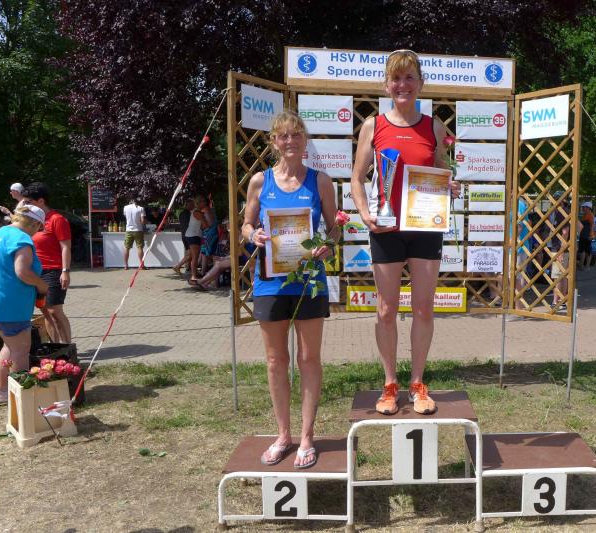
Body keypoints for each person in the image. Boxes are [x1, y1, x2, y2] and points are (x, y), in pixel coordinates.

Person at [351, 49, 459, 416]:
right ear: (386, 85)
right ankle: (389, 383)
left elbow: (440, 171)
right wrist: (365, 214)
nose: (403, 84)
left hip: (424, 228)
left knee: (424, 308)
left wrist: (449, 186)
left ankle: (417, 383)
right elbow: (356, 178)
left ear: (420, 84)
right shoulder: (373, 126)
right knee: (386, 310)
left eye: (409, 77)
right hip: (386, 228)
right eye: (396, 78)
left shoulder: (435, 127)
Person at [241, 110, 338, 469]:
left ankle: (307, 437)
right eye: (283, 135)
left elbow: (334, 229)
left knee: (309, 359)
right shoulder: (259, 181)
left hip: (309, 282)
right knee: (275, 360)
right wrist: (254, 235)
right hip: (270, 282)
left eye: (296, 134)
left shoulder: (321, 181)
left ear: (305, 140)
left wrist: (327, 245)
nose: (290, 141)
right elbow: (245, 225)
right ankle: (283, 435)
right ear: (274, 142)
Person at [0, 205, 50, 404]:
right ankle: (22, 398)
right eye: (39, 227)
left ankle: (1, 393)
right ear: (34, 223)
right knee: (21, 349)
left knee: (9, 347)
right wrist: (41, 284)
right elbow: (22, 271)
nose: (38, 232)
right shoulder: (21, 239)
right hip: (11, 304)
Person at [24, 183, 72, 344]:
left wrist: (65, 271)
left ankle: (68, 347)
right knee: (45, 311)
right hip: (36, 271)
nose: (26, 205)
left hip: (53, 270)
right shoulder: (32, 220)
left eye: (29, 202)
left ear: (41, 201)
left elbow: (65, 246)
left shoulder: (57, 219)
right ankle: (55, 347)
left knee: (54, 310)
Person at [173, 197, 195, 274]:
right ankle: (178, 266)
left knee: (189, 253)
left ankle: (188, 268)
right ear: (187, 205)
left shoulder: (182, 214)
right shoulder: (188, 214)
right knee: (190, 254)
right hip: (188, 235)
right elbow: (188, 225)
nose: (193, 206)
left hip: (185, 235)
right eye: (192, 204)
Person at [123, 197, 146, 270]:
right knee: (139, 247)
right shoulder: (141, 208)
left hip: (128, 230)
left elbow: (126, 217)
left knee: (127, 247)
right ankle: (141, 265)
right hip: (138, 230)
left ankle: (126, 265)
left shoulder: (125, 207)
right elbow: (142, 221)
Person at [196, 195, 218, 275]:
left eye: (200, 202)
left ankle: (202, 271)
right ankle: (200, 269)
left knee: (205, 253)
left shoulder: (205, 210)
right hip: (212, 232)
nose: (199, 203)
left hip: (208, 233)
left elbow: (209, 223)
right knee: (204, 252)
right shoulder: (210, 209)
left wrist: (202, 226)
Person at [184, 197, 203, 284]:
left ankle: (194, 274)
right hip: (193, 235)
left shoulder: (195, 212)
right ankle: (193, 276)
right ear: (198, 203)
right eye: (202, 202)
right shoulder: (197, 212)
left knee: (193, 256)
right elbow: (205, 225)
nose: (204, 204)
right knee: (195, 257)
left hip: (192, 235)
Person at [577, 201, 596, 269]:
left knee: (586, 251)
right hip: (584, 235)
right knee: (585, 250)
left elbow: (592, 225)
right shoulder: (585, 215)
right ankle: (583, 265)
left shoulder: (590, 215)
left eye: (584, 207)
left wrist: (591, 235)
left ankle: (585, 265)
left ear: (588, 208)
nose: (582, 208)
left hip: (586, 235)